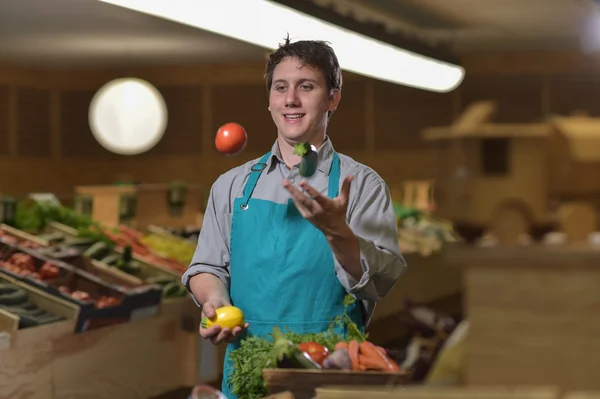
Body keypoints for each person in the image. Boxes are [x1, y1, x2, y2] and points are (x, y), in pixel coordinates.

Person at [182, 36, 407, 399]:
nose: (291, 99)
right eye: (280, 87)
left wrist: (338, 233)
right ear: (270, 100)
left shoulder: (361, 185)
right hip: (248, 371)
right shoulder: (232, 186)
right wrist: (215, 301)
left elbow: (381, 282)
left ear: (332, 98)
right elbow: (207, 265)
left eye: (307, 87)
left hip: (333, 374)